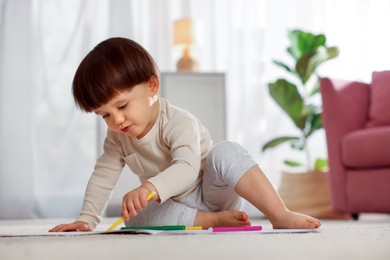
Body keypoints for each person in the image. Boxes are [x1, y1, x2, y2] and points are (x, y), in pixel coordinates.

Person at [50, 37, 320, 232]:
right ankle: (212, 221)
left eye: (122, 106)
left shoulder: (178, 122)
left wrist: (149, 187)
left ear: (151, 86)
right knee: (132, 218)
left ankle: (279, 213)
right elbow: (103, 176)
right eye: (105, 115)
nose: (116, 120)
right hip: (177, 206)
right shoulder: (117, 138)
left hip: (211, 190)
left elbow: (188, 169)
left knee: (226, 151)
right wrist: (87, 219)